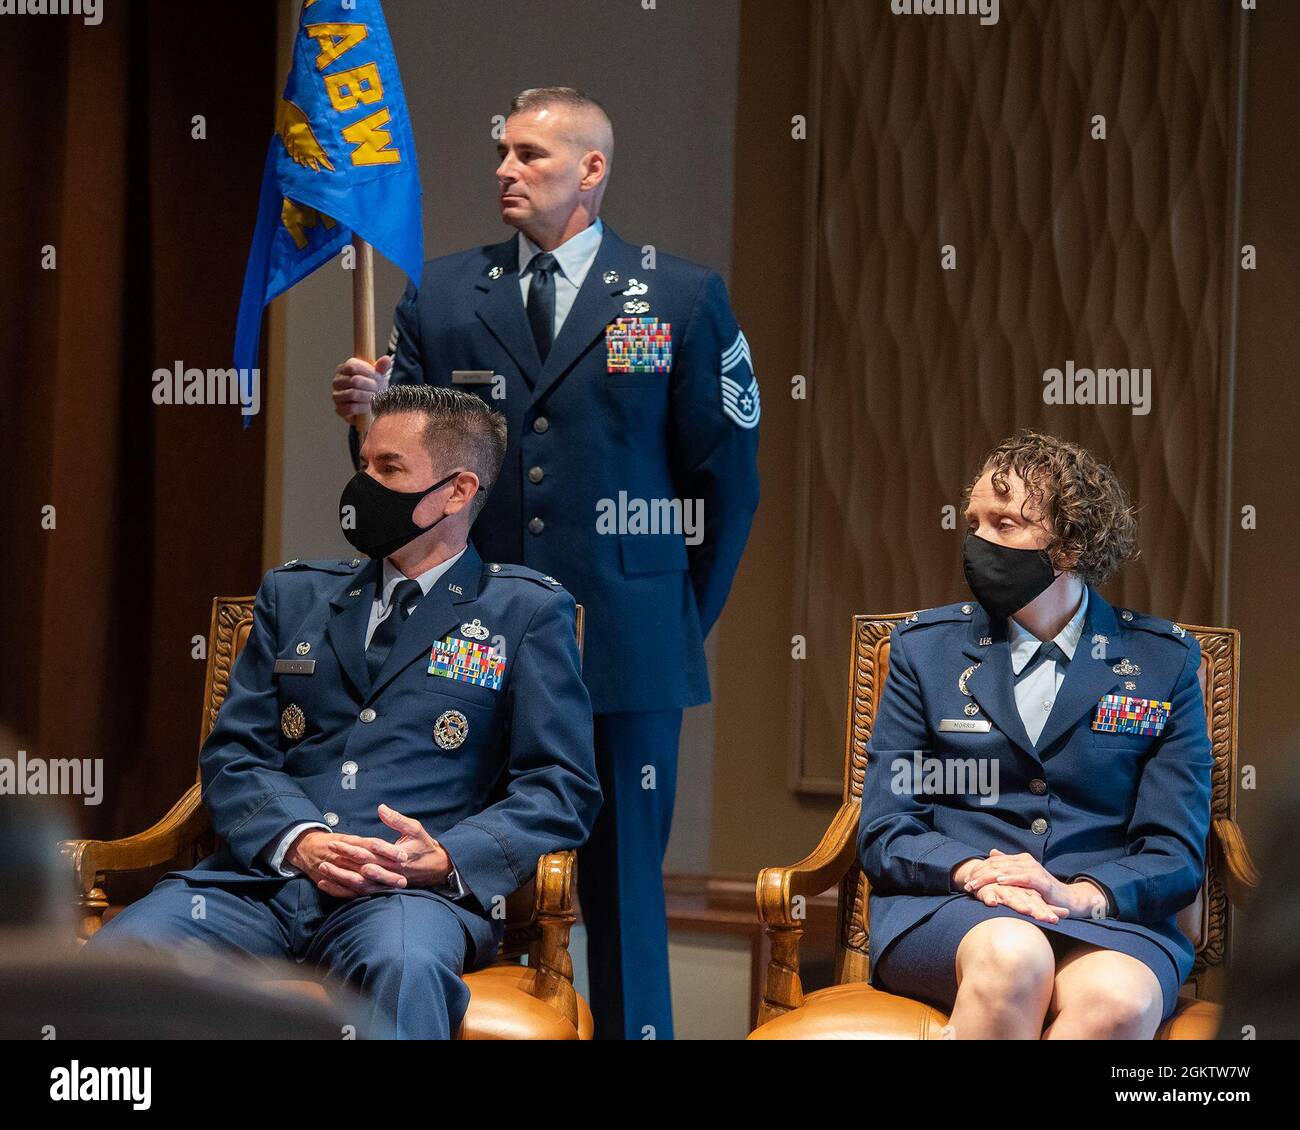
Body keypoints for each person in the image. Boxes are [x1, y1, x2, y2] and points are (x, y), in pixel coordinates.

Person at [331, 86, 760, 1039]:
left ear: (592, 170)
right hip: (464, 641)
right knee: (443, 867)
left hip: (628, 643)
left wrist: (676, 619)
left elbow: (725, 483)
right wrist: (368, 414)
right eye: (502, 154)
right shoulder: (442, 292)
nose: (505, 171)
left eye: (530, 155)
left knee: (622, 897)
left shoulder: (681, 295)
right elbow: (398, 484)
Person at [86, 385, 601, 1039]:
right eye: (364, 466)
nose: (364, 485)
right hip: (263, 885)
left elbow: (562, 789)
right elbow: (234, 753)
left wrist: (446, 855)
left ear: (458, 490)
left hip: (407, 898)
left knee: (405, 968)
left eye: (389, 470)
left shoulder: (522, 612)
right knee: (120, 955)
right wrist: (298, 840)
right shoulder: (295, 593)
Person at [858, 430, 1212, 1038]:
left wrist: (1080, 894)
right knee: (1014, 957)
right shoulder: (926, 653)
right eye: (974, 522)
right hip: (953, 908)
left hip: (1105, 915)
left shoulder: (1162, 664)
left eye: (1005, 523)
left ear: (1071, 545)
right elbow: (888, 827)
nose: (979, 542)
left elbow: (1174, 854)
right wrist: (976, 871)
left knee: (1119, 1000)